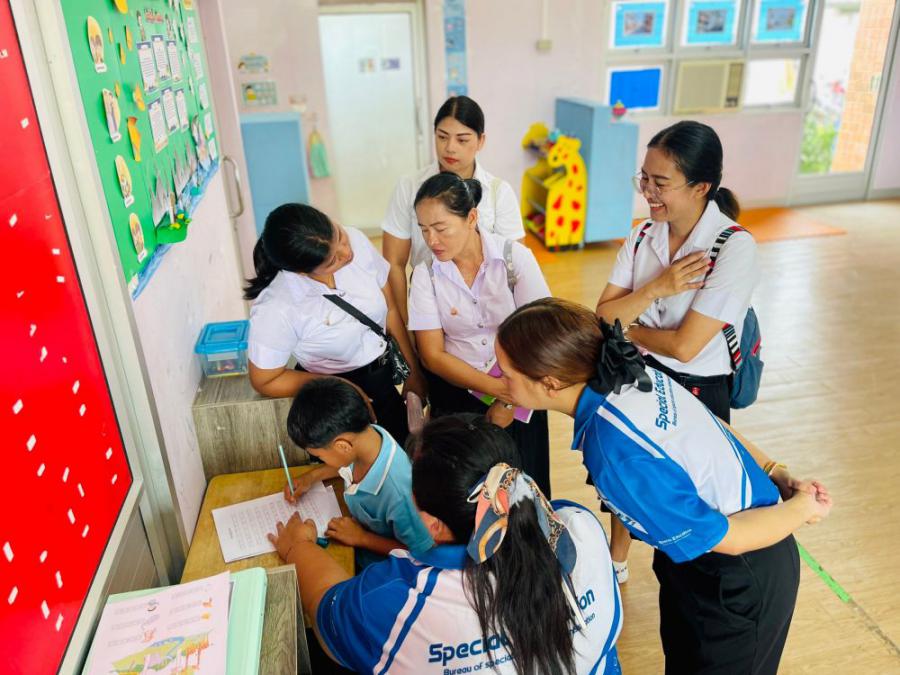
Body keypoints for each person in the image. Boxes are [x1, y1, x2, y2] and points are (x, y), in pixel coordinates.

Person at [495, 298, 832, 675]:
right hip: (695, 560)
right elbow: (715, 425)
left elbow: (732, 538)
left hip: (740, 571)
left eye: (505, 374)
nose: (496, 380)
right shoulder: (629, 374)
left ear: (550, 383)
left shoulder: (614, 454)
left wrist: (802, 507)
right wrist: (774, 470)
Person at [268, 414, 623, 674]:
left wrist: (298, 547)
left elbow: (328, 610)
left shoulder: (404, 600)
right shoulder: (581, 528)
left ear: (432, 525)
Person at [595, 120, 759, 578]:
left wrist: (629, 327)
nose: (647, 191)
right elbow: (602, 316)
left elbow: (686, 347)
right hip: (639, 376)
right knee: (627, 476)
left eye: (660, 182)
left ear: (701, 187)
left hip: (699, 389)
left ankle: (686, 574)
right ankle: (617, 559)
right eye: (644, 178)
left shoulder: (733, 248)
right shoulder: (642, 235)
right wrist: (656, 288)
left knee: (689, 493)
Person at [408, 173, 553, 496]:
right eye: (424, 229)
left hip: (522, 388)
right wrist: (500, 391)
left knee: (525, 487)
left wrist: (509, 400)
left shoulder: (514, 259)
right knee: (467, 492)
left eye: (441, 228)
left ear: (471, 218)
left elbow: (542, 334)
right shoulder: (425, 275)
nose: (432, 240)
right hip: (459, 392)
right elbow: (432, 354)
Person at [245, 203, 426, 445]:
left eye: (339, 235)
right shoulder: (277, 306)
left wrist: (414, 372)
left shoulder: (357, 240)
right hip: (333, 404)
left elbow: (390, 309)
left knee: (402, 451)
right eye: (332, 261)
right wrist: (335, 385)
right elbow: (264, 379)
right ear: (301, 272)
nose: (347, 252)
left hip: (382, 380)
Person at [382, 95, 526, 324]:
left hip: (490, 309)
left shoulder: (498, 192)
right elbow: (393, 263)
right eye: (442, 137)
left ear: (480, 141)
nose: (450, 148)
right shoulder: (409, 187)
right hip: (428, 304)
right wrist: (407, 325)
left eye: (462, 139)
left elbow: (516, 265)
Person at [283, 377, 433, 567]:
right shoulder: (366, 437)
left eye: (320, 456)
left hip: (381, 568)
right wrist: (312, 477)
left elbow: (421, 554)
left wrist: (362, 538)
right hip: (354, 541)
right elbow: (344, 463)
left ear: (343, 446)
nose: (321, 461)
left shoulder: (400, 493)